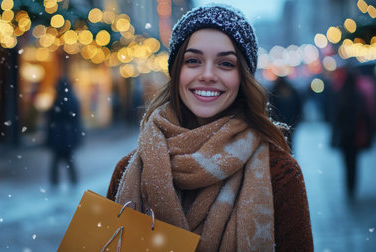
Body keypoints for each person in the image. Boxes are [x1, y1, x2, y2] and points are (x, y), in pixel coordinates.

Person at [107, 5, 313, 251]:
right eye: (193, 61)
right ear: (176, 72)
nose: (207, 75)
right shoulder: (127, 172)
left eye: (226, 64)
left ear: (243, 78)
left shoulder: (279, 174)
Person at [331, 68, 375, 196]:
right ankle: (353, 185)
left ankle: (348, 185)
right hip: (356, 134)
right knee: (354, 162)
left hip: (344, 136)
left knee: (346, 162)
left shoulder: (339, 94)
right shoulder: (359, 95)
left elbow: (335, 117)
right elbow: (365, 116)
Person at [46, 77, 83, 185]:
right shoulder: (72, 99)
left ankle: (56, 182)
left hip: (61, 136)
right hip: (67, 137)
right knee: (68, 160)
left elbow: (55, 117)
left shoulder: (61, 99)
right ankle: (72, 181)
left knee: (59, 160)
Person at [269, 76, 303, 149]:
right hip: (289, 122)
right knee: (289, 142)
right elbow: (299, 108)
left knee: (281, 143)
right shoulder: (293, 91)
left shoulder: (273, 92)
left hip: (280, 123)